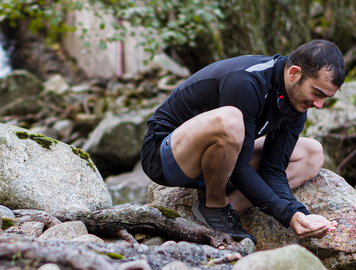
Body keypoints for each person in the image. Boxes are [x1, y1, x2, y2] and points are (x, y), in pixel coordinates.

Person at [140, 39, 345, 243]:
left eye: (326, 98)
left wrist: (299, 214)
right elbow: (239, 167)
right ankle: (215, 206)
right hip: (165, 156)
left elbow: (273, 170)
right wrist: (286, 216)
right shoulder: (247, 81)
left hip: (219, 162)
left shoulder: (296, 104)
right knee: (231, 121)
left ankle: (220, 212)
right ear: (294, 74)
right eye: (317, 93)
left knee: (312, 154)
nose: (319, 105)